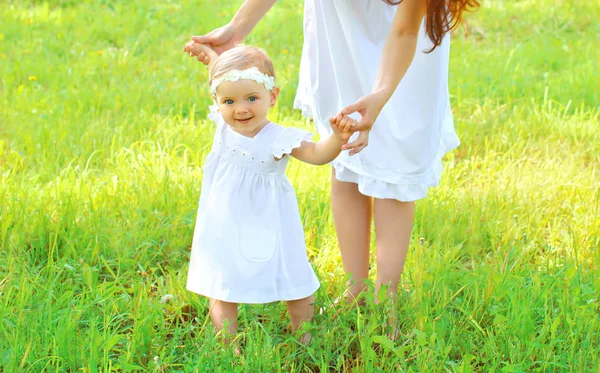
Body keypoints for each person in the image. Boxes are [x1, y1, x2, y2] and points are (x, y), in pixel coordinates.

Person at [185, 0, 479, 330]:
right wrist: (237, 28)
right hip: (340, 28)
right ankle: (355, 289)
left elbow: (405, 28)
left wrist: (381, 95)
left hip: (400, 42)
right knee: (346, 156)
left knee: (395, 160)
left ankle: (386, 299)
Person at [185, 43, 355, 339]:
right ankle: (228, 342)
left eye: (252, 98)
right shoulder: (223, 124)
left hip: (268, 222)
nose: (240, 108)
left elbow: (316, 154)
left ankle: (304, 335)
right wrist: (212, 57)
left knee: (291, 275)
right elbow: (224, 79)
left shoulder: (277, 138)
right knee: (222, 281)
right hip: (224, 224)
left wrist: (338, 138)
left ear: (272, 96)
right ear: (217, 100)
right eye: (229, 101)